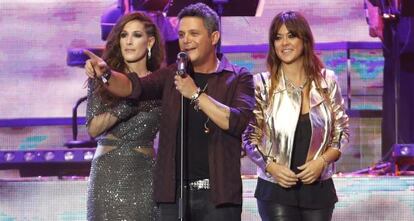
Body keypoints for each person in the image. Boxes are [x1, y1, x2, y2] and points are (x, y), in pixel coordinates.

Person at [83, 3, 255, 221]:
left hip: (218, 198)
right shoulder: (172, 76)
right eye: (182, 34)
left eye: (194, 34)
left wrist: (195, 93)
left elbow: (237, 122)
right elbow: (134, 87)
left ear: (214, 37)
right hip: (173, 198)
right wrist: (106, 74)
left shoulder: (238, 77)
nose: (186, 40)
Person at [242, 11, 349, 221]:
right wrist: (271, 167)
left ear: (304, 40)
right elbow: (248, 138)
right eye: (278, 37)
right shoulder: (262, 85)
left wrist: (323, 161)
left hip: (318, 188)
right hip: (276, 189)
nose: (284, 43)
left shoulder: (327, 81)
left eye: (291, 35)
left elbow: (342, 131)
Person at [84, 12, 164, 221]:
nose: (128, 41)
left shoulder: (160, 83)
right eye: (123, 35)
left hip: (144, 175)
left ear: (150, 41)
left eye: (136, 35)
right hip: (107, 173)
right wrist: (128, 103)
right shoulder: (102, 77)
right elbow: (93, 128)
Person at [365, 0, 414, 159]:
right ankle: (397, 157)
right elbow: (374, 25)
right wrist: (375, 17)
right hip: (397, 40)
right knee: (397, 104)